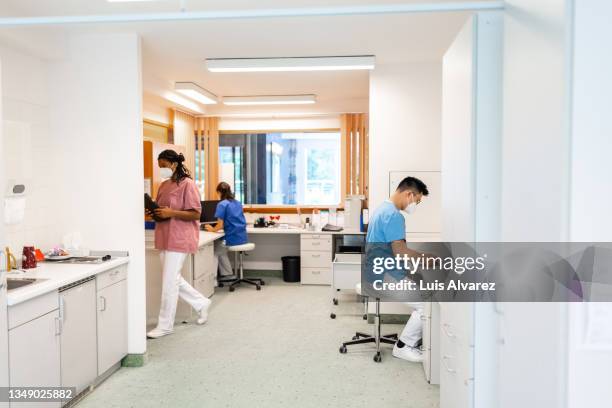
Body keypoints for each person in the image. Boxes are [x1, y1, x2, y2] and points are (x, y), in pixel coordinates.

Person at [146, 149, 211, 339]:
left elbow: (196, 213)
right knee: (173, 279)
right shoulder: (164, 185)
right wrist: (155, 213)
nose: (162, 170)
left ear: (174, 164)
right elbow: (162, 210)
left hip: (180, 237)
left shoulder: (188, 184)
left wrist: (171, 213)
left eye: (164, 166)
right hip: (164, 235)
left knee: (169, 282)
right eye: (160, 167)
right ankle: (201, 303)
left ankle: (165, 325)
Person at [366, 176, 429, 362]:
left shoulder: (381, 210)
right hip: (386, 277)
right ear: (409, 194)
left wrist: (409, 273)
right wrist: (428, 260)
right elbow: (400, 252)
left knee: (423, 294)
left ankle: (412, 342)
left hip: (376, 273)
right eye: (416, 200)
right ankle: (404, 346)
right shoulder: (394, 215)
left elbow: (387, 252)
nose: (415, 205)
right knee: (427, 305)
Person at [204, 182, 248, 278]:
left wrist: (212, 229)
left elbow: (220, 225)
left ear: (219, 192)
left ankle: (213, 280)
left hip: (231, 237)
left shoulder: (222, 204)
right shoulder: (237, 202)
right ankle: (228, 274)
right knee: (221, 251)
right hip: (242, 237)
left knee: (215, 252)